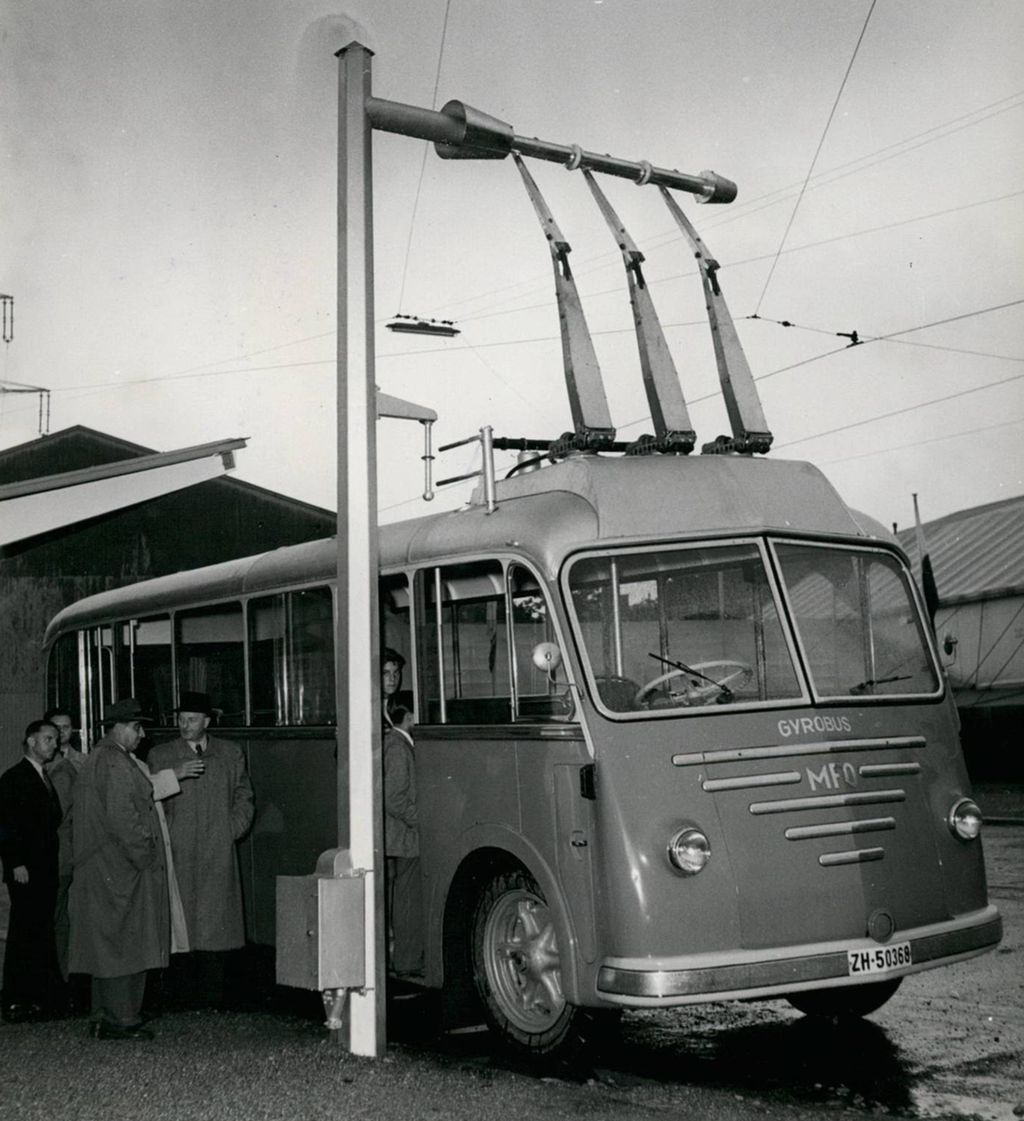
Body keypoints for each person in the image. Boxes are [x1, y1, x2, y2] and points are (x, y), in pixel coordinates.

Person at [68, 698, 169, 1040]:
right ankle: (122, 1018)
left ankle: (105, 1015)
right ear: (118, 728)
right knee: (126, 943)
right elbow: (124, 819)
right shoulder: (114, 762)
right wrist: (146, 857)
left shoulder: (102, 759)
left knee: (108, 945)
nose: (142, 734)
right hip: (121, 869)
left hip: (107, 866)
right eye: (137, 727)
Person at [147, 690, 254, 1008]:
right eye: (180, 719)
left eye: (192, 719)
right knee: (181, 922)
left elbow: (244, 796)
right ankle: (181, 996)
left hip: (217, 849)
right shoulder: (162, 755)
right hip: (178, 849)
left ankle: (212, 997)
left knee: (216, 923)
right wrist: (167, 837)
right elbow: (151, 800)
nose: (184, 725)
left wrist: (230, 830)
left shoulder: (229, 753)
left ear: (207, 721)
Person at [0, 719, 65, 1022]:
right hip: (26, 870)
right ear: (30, 741)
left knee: (37, 930)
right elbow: (6, 825)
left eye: (55, 739)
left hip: (42, 868)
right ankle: (18, 1000)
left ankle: (38, 997)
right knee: (25, 931)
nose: (54, 744)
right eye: (49, 739)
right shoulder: (15, 778)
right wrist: (16, 863)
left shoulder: (40, 776)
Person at [44, 706, 85, 988]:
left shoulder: (81, 764)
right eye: (56, 728)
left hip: (70, 850)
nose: (61, 734)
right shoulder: (48, 764)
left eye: (66, 728)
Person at [382, 704, 423, 979]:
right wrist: (419, 819)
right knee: (408, 898)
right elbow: (393, 797)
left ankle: (403, 957)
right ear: (408, 717)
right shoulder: (398, 747)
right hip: (404, 837)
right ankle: (407, 961)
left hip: (397, 836)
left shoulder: (393, 743)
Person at [381, 648, 406, 730]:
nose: (392, 678)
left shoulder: (403, 705)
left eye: (396, 672)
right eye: (386, 673)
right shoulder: (366, 707)